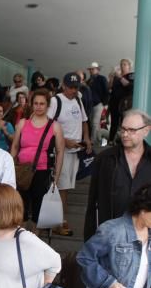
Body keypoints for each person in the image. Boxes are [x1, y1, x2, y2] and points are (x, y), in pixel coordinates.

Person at [77, 183, 151, 288]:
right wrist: (108, 283)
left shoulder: (149, 233)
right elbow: (85, 257)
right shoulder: (113, 230)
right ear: (143, 209)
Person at [84, 109, 151, 240]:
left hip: (145, 240)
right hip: (109, 237)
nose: (125, 134)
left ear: (146, 130)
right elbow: (93, 202)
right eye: (123, 129)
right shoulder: (105, 159)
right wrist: (89, 240)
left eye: (131, 130)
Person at [11, 89, 65, 228]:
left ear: (48, 106)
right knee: (20, 209)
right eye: (36, 103)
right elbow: (15, 147)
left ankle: (35, 242)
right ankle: (20, 241)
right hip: (22, 172)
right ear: (31, 104)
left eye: (42, 103)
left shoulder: (55, 126)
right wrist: (9, 170)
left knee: (38, 211)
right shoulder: (23, 123)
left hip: (42, 172)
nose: (39, 106)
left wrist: (56, 178)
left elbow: (60, 152)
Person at [48, 72, 92, 236]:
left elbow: (84, 122)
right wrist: (65, 141)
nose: (74, 90)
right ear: (63, 86)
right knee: (62, 188)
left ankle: (58, 220)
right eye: (71, 87)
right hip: (61, 151)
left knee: (66, 187)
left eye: (76, 87)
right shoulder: (56, 101)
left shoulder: (78, 100)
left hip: (76, 151)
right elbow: (48, 126)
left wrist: (86, 138)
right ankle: (59, 221)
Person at [109, 59, 134, 143]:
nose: (122, 66)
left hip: (125, 104)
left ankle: (124, 141)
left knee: (125, 123)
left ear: (129, 66)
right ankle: (111, 140)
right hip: (114, 102)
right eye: (121, 64)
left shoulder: (131, 75)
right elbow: (110, 88)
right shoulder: (117, 77)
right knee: (114, 123)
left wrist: (120, 77)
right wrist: (112, 77)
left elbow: (129, 86)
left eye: (124, 64)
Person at [87, 62, 110, 146]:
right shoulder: (89, 81)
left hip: (99, 104)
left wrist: (105, 104)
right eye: (90, 69)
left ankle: (93, 141)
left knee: (95, 123)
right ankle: (98, 139)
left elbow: (106, 91)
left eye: (93, 69)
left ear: (97, 70)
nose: (91, 71)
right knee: (93, 123)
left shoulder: (102, 78)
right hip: (90, 105)